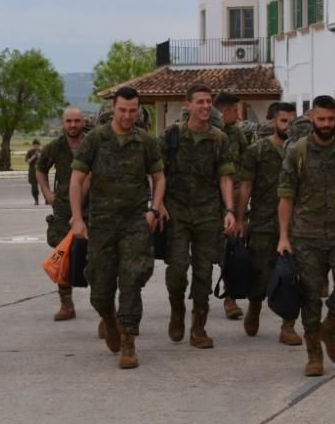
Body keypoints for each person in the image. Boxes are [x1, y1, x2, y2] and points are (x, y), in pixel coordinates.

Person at [69, 86, 165, 370]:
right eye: (122, 110)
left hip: (135, 221)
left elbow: (159, 178)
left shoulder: (145, 141)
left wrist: (154, 209)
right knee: (99, 286)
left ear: (139, 110)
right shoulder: (95, 140)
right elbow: (76, 180)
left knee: (132, 278)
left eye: (133, 111)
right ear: (114, 109)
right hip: (101, 223)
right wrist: (77, 218)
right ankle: (108, 318)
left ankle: (128, 341)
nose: (127, 116)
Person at [276, 95, 335, 377]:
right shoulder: (298, 151)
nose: (328, 124)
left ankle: (330, 328)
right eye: (322, 120)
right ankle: (314, 353)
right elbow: (286, 195)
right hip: (305, 234)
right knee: (309, 297)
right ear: (312, 120)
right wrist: (283, 236)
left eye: (332, 119)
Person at [161, 83, 236, 350]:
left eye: (208, 102)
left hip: (207, 213)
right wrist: (157, 204)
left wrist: (230, 210)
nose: (205, 107)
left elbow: (225, 176)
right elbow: (156, 173)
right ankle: (177, 309)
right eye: (200, 102)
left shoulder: (219, 138)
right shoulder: (171, 136)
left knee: (204, 272)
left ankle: (199, 326)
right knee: (178, 268)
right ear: (188, 105)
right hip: (177, 213)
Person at [237, 102, 302, 345]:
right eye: (284, 121)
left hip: (296, 224)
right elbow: (245, 186)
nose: (288, 126)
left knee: (293, 276)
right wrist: (241, 218)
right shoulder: (258, 150)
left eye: (292, 121)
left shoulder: (301, 150)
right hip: (264, 222)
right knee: (260, 273)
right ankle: (255, 307)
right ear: (274, 122)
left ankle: (288, 325)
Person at [36, 107, 88, 323]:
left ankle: (103, 306)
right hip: (64, 207)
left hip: (94, 206)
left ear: (83, 122)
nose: (73, 125)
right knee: (63, 254)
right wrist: (47, 193)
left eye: (77, 121)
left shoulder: (92, 143)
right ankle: (66, 303)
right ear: (63, 123)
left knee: (97, 256)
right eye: (69, 121)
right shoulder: (56, 147)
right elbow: (40, 168)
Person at [215, 91, 248, 321]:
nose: (237, 115)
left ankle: (230, 298)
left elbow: (245, 168)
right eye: (234, 110)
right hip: (205, 202)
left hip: (232, 201)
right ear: (224, 110)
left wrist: (240, 210)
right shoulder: (208, 132)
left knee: (230, 249)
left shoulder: (238, 134)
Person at [25, 139, 41, 205]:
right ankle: (36, 200)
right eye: (35, 145)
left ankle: (47, 199)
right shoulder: (30, 152)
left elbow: (46, 161)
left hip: (41, 172)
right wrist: (34, 156)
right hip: (32, 172)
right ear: (33, 145)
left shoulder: (42, 151)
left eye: (37, 145)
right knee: (34, 187)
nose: (36, 147)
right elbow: (28, 161)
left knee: (44, 187)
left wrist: (39, 156)